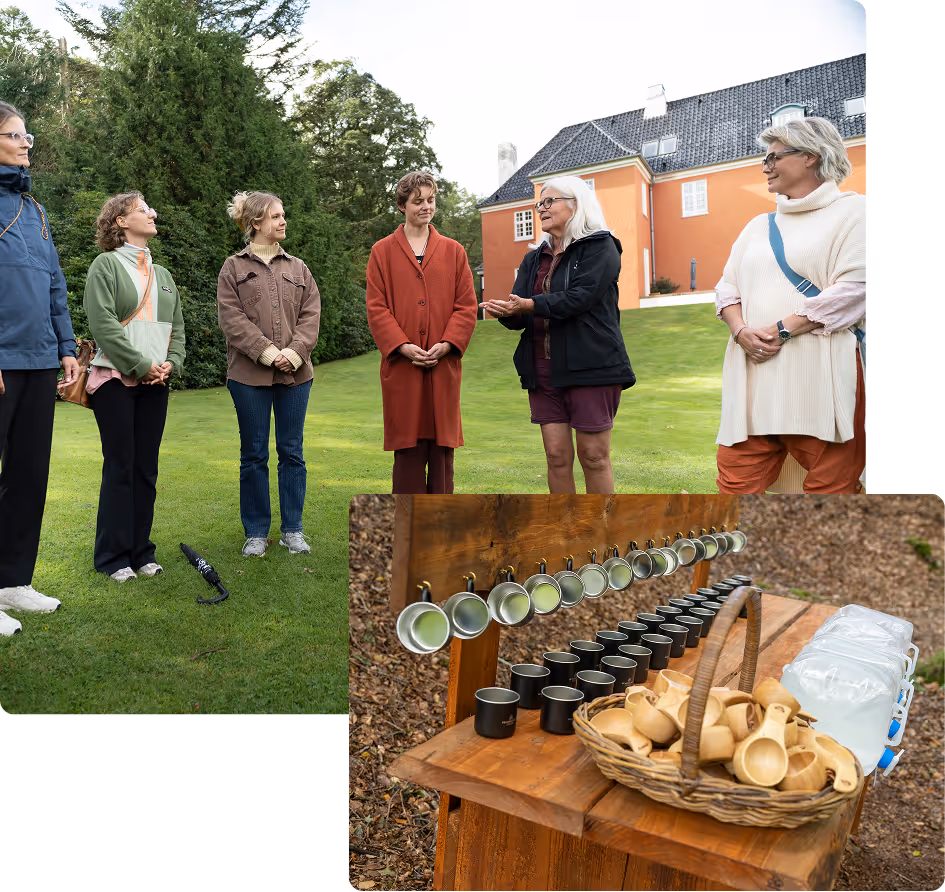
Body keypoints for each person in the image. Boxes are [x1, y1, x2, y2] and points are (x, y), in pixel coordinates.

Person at [714, 117, 865, 494]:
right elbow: (726, 289)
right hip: (751, 377)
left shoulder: (856, 214)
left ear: (811, 156)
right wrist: (741, 330)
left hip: (822, 372)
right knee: (733, 492)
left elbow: (855, 290)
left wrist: (780, 329)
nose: (765, 168)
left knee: (831, 492)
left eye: (773, 158)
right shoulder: (757, 226)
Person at [481, 176, 635, 494]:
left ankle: (603, 534)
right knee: (556, 458)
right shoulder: (533, 258)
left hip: (592, 367)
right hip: (543, 370)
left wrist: (528, 304)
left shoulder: (601, 247)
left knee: (593, 457)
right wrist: (507, 313)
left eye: (550, 201)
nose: (542, 208)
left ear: (575, 204)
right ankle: (566, 534)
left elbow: (580, 298)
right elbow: (521, 314)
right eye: (540, 203)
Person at [0, 101, 79, 635]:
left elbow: (54, 286)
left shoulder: (37, 211)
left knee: (29, 475)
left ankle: (12, 582)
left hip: (38, 360)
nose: (27, 143)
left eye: (27, 135)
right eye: (14, 134)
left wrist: (67, 347)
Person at [83, 192, 186, 580]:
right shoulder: (104, 266)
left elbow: (177, 330)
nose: (152, 213)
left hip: (155, 384)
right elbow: (103, 324)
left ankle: (142, 552)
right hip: (114, 381)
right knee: (121, 467)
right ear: (120, 222)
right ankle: (112, 557)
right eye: (143, 209)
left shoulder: (164, 275)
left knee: (146, 470)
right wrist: (140, 366)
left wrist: (169, 365)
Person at [217, 191, 320, 556]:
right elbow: (231, 319)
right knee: (254, 454)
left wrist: (294, 352)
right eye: (276, 216)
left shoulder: (299, 269)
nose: (283, 221)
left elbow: (311, 315)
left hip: (296, 375)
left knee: (292, 452)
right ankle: (256, 532)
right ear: (256, 223)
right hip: (248, 377)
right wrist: (267, 351)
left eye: (283, 214)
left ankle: (293, 529)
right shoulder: (232, 268)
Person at [365, 171, 478, 494]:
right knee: (408, 455)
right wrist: (401, 345)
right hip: (403, 368)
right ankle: (406, 533)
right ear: (402, 205)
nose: (426, 207)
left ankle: (441, 536)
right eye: (418, 202)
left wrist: (447, 344)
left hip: (443, 367)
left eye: (431, 200)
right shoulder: (382, 252)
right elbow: (376, 307)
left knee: (443, 457)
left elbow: (466, 306)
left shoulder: (454, 251)